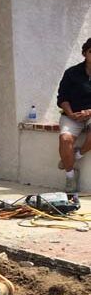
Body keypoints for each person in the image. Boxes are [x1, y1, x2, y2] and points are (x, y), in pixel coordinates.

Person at [57, 37, 91, 194]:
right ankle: (70, 177)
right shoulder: (71, 73)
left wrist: (89, 112)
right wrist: (71, 114)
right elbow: (62, 98)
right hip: (72, 115)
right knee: (65, 139)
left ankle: (76, 155)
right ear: (85, 53)